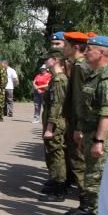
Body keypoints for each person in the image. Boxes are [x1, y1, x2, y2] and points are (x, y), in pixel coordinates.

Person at [69, 36, 108, 215]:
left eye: (89, 49)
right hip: (92, 133)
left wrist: (99, 140)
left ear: (102, 52)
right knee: (92, 178)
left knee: (97, 180)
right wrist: (83, 132)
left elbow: (107, 113)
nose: (85, 52)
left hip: (104, 138)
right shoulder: (95, 75)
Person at [62, 32, 92, 215]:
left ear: (74, 47)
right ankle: (86, 204)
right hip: (76, 121)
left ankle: (87, 206)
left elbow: (80, 100)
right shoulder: (77, 65)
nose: (63, 48)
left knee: (80, 163)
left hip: (79, 123)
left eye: (65, 45)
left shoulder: (81, 67)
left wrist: (78, 127)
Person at [41, 52, 68, 202]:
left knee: (56, 155)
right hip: (52, 122)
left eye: (47, 59)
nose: (45, 61)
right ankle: (55, 183)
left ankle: (59, 190)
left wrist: (50, 127)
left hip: (56, 123)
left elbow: (57, 105)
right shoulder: (54, 78)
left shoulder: (59, 80)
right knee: (51, 153)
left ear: (56, 60)